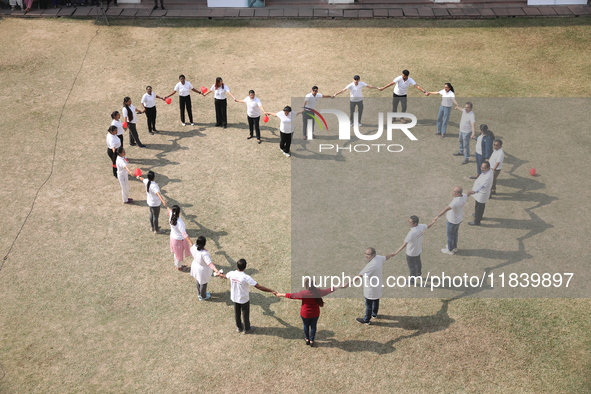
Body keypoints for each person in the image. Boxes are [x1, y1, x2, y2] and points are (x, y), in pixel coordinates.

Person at [275, 279, 347, 346]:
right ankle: (312, 340)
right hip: (315, 313)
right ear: (314, 285)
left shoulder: (303, 293)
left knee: (306, 325)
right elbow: (328, 290)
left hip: (305, 313)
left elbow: (292, 296)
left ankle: (307, 339)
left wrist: (280, 294)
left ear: (306, 286)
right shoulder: (318, 292)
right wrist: (339, 286)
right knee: (313, 326)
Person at [219, 259, 276, 334]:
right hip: (243, 299)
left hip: (235, 298)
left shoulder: (232, 273)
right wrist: (271, 290)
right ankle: (247, 329)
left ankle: (239, 327)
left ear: (237, 266)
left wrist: (219, 274)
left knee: (237, 313)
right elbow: (259, 287)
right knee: (245, 314)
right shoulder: (246, 277)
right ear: (245, 267)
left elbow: (224, 276)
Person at [355, 248, 395, 325]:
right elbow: (385, 257)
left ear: (373, 255)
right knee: (376, 300)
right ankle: (374, 314)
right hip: (377, 287)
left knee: (368, 305)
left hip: (370, 289)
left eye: (368, 254)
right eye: (365, 253)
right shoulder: (378, 258)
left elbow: (360, 275)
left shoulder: (371, 265)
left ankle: (366, 320)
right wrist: (390, 255)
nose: (366, 256)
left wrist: (348, 283)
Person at [392, 216, 436, 284]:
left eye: (410, 222)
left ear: (415, 223)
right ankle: (418, 275)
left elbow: (404, 244)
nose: (408, 223)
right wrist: (433, 222)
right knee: (418, 263)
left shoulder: (411, 233)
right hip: (418, 250)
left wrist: (396, 252)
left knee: (412, 267)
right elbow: (428, 226)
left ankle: (412, 281)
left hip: (411, 253)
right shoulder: (421, 226)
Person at [432, 186, 468, 255]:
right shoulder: (464, 196)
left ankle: (450, 249)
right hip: (458, 220)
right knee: (455, 234)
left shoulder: (455, 202)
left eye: (454, 191)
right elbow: (468, 194)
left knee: (450, 235)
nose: (453, 192)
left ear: (459, 194)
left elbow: (446, 209)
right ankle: (454, 247)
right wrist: (472, 192)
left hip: (452, 221)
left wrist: (437, 216)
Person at [190, 236, 222, 301]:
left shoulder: (194, 247)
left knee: (198, 280)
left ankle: (199, 293)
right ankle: (203, 296)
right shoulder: (204, 254)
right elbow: (210, 264)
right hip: (202, 270)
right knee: (203, 283)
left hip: (195, 266)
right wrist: (217, 271)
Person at [167, 205, 193, 271]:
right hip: (179, 240)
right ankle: (179, 267)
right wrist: (190, 242)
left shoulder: (171, 216)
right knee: (178, 255)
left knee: (176, 253)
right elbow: (184, 234)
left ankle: (178, 265)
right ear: (179, 212)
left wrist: (167, 206)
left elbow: (169, 210)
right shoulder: (179, 223)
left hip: (173, 238)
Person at [468, 162, 493, 226]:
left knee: (479, 207)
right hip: (480, 193)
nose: (482, 169)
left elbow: (482, 185)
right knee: (479, 206)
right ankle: (478, 215)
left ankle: (477, 221)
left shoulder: (488, 176)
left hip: (482, 194)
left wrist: (475, 191)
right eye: (481, 167)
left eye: (484, 168)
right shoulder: (487, 172)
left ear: (488, 168)